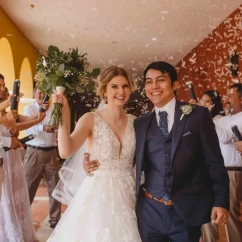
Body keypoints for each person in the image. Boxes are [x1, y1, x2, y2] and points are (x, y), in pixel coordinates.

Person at [84, 61, 230, 242]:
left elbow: (214, 162)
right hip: (149, 212)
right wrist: (90, 161)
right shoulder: (140, 123)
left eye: (160, 80)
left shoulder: (198, 115)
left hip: (185, 212)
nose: (154, 87)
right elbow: (123, 157)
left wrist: (220, 201)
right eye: (148, 81)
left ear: (175, 84)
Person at [47, 66, 141, 241]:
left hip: (130, 193)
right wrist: (64, 114)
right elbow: (65, 151)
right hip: (99, 195)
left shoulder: (135, 122)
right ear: (104, 90)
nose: (121, 91)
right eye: (114, 86)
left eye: (125, 86)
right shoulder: (91, 119)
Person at [0, 77, 46, 242]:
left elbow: (18, 124)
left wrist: (39, 117)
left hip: (11, 157)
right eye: (0, 86)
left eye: (4, 85)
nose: (4, 89)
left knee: (16, 196)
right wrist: (8, 140)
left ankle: (19, 231)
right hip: (3, 157)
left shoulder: (4, 110)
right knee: (6, 200)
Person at [23, 87, 61, 229]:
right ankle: (23, 219)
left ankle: (55, 221)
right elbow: (27, 129)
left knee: (55, 188)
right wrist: (42, 128)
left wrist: (55, 127)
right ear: (34, 94)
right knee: (28, 187)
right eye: (39, 93)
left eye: (44, 93)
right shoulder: (29, 109)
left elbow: (59, 127)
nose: (42, 95)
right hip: (34, 152)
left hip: (51, 152)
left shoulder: (53, 109)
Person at [211, 83, 242, 242]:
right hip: (222, 171)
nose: (227, 99)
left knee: (231, 215)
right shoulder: (222, 119)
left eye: (231, 95)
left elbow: (224, 137)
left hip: (235, 170)